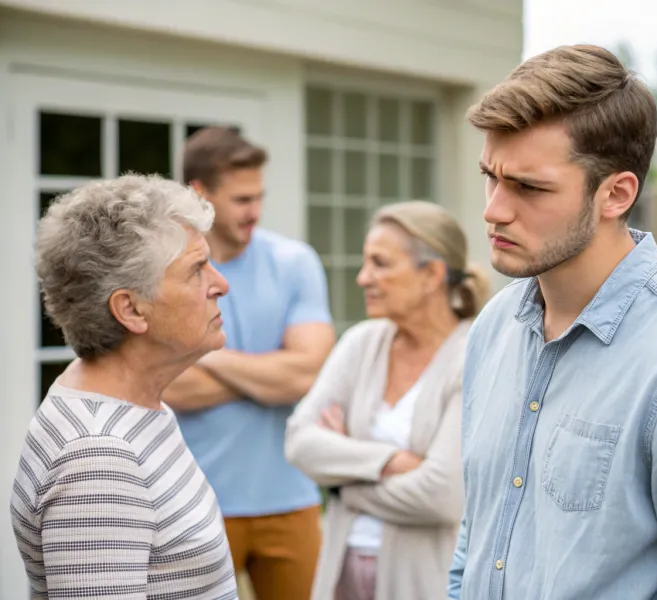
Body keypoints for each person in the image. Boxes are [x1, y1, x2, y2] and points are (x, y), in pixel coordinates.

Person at [447, 44, 657, 600]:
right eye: (491, 176)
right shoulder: (493, 329)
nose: (494, 209)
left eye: (529, 187)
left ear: (616, 193)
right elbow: (480, 535)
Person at [10, 174, 238, 599]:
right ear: (131, 309)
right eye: (197, 270)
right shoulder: (97, 458)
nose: (221, 285)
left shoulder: (134, 402)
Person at [161, 127, 336, 599]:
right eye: (241, 199)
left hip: (293, 500)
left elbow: (309, 375)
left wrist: (210, 355)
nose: (254, 211)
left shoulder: (295, 261)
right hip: (194, 504)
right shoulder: (166, 269)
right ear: (200, 193)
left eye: (258, 196)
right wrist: (271, 375)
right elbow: (170, 386)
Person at [285, 201, 490, 600]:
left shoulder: (472, 356)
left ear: (431, 274)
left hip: (425, 582)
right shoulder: (362, 342)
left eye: (380, 263)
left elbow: (443, 496)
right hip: (340, 573)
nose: (364, 278)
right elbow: (299, 441)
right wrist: (392, 461)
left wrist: (343, 486)